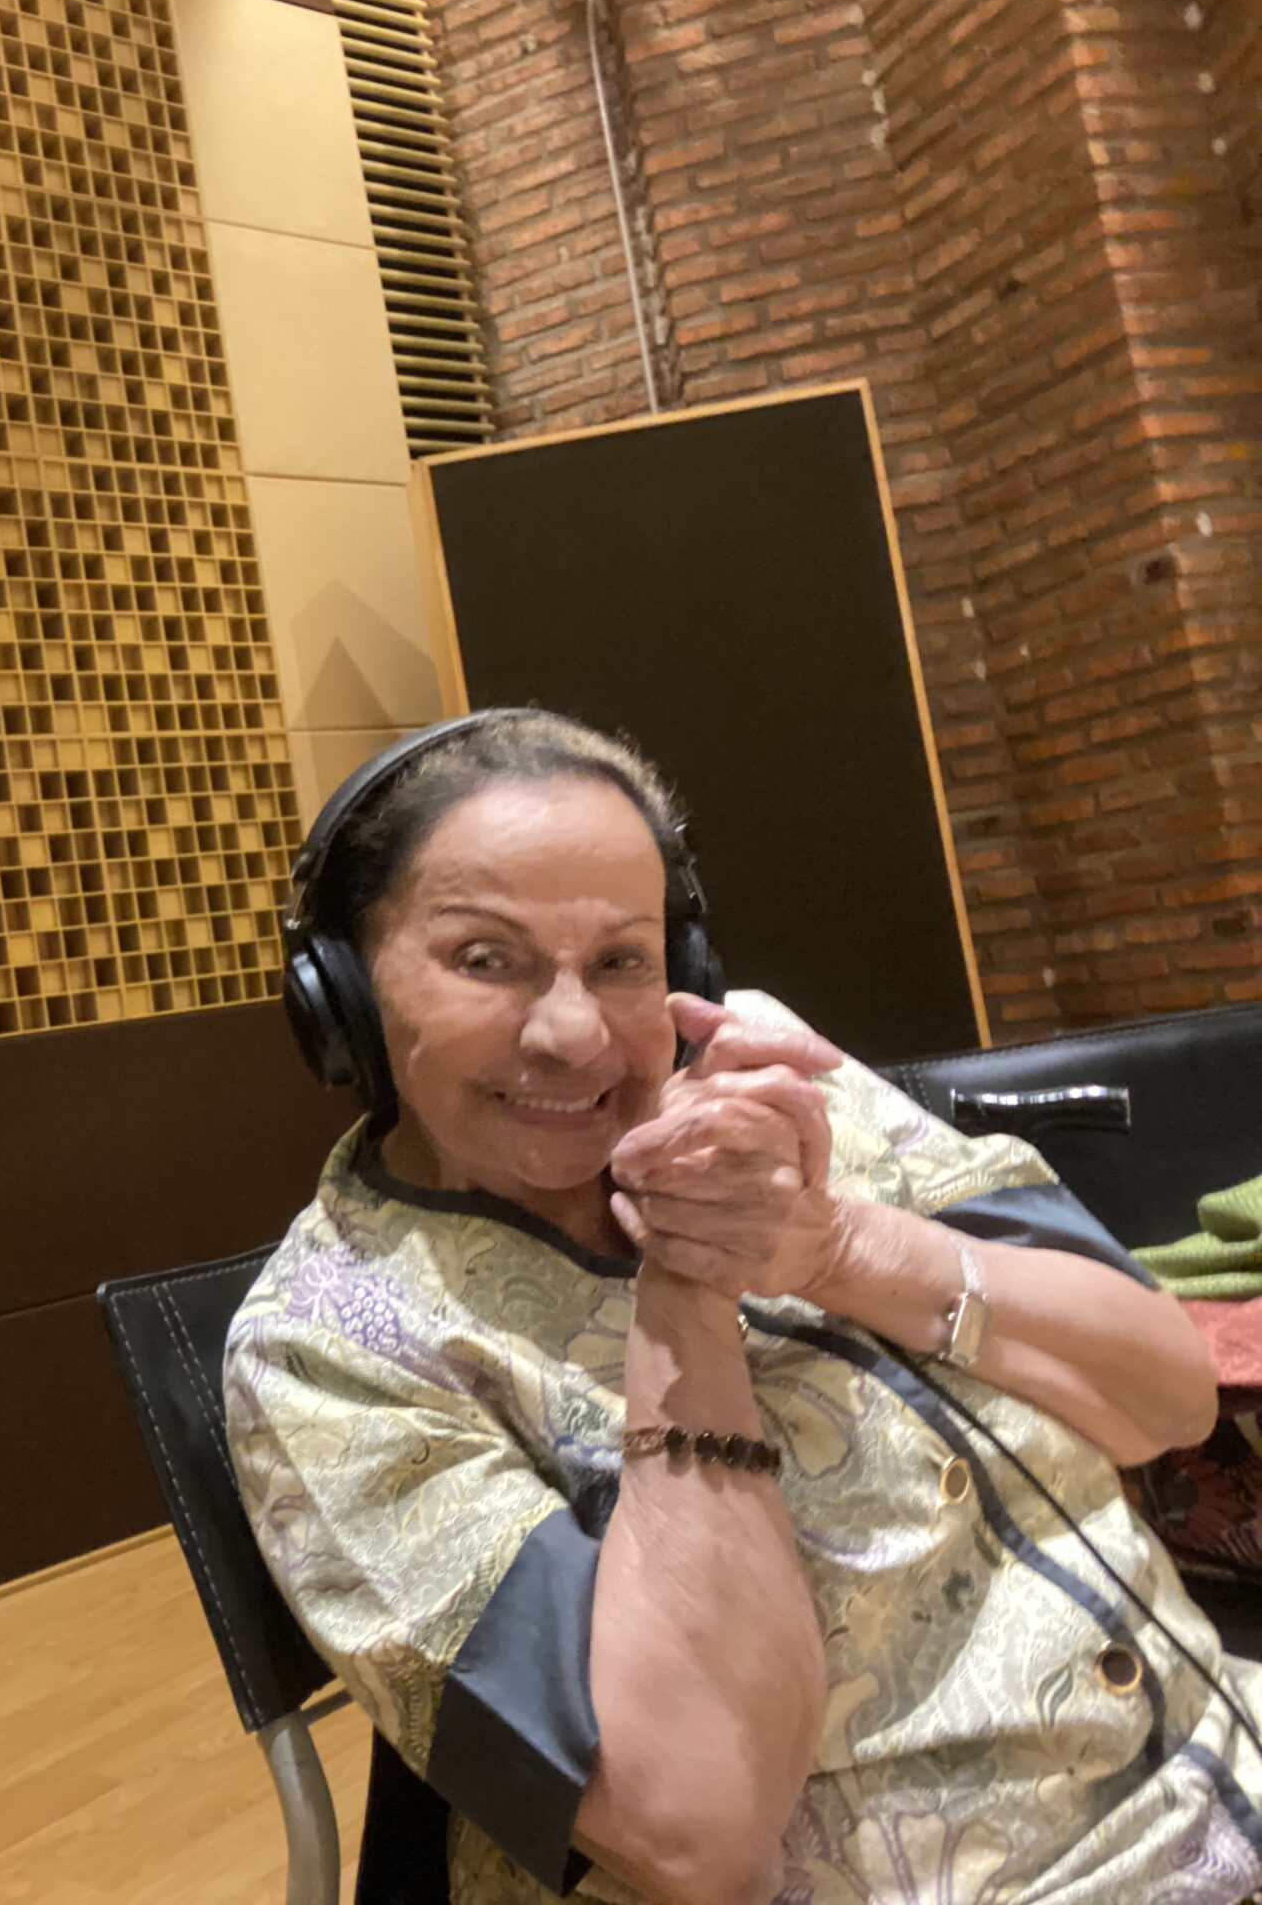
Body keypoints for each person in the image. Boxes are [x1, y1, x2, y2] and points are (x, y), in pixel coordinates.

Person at [228, 708, 1251, 1905]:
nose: (572, 1033)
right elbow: (696, 1828)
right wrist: (686, 1298)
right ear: (339, 995)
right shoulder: (324, 1350)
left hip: (1223, 1765)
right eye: (485, 959)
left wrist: (839, 1246)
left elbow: (1164, 1397)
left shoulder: (785, 1090)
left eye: (621, 961)